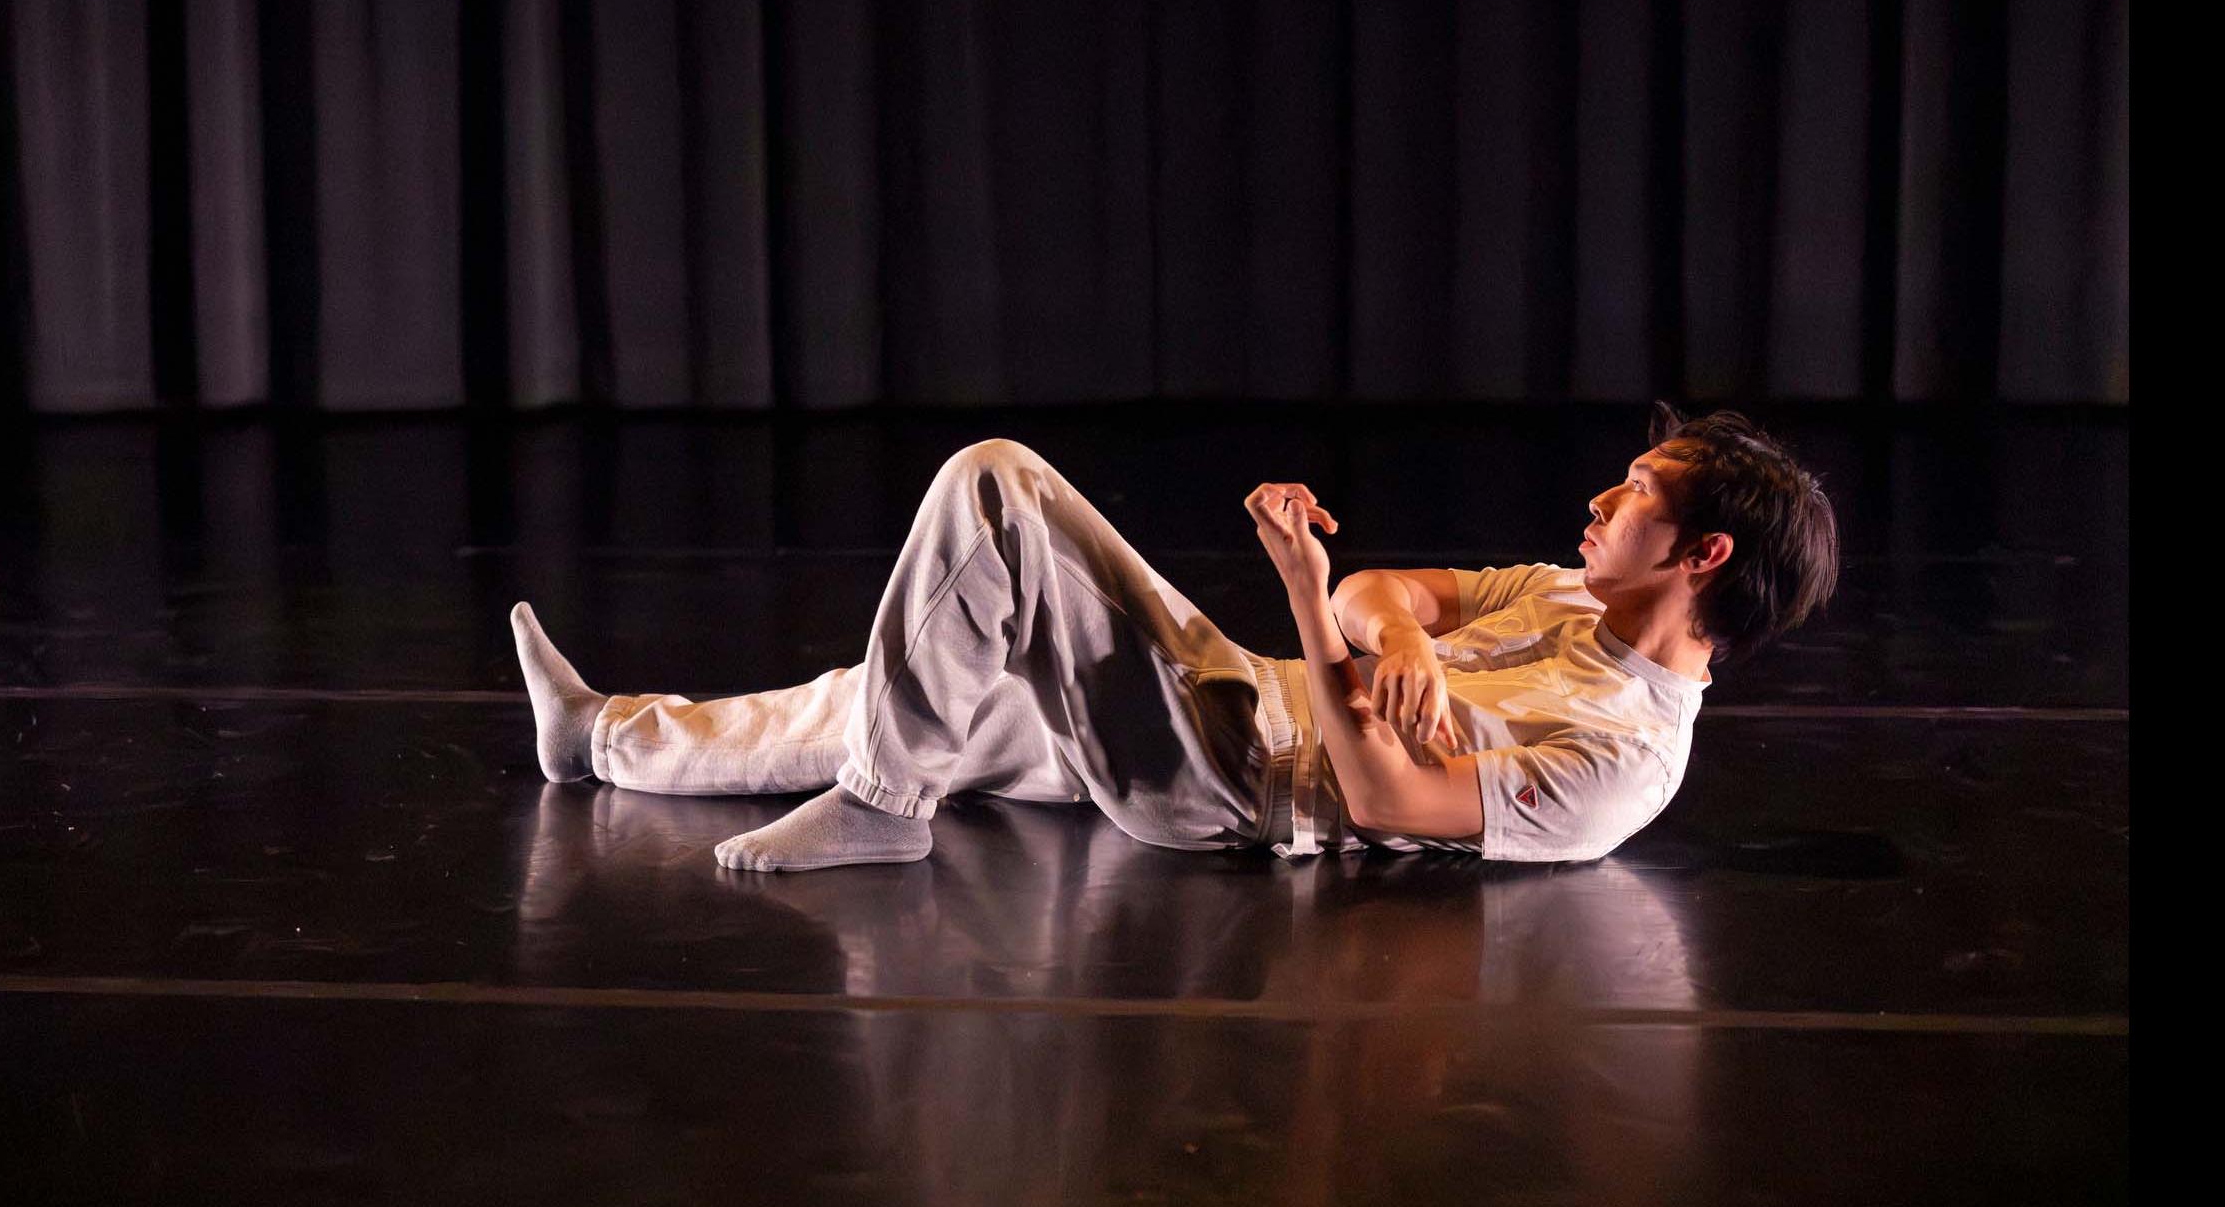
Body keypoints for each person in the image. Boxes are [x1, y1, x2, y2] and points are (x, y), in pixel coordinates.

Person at [508, 401, 1839, 871]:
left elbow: (1377, 796)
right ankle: (600, 740)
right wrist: (1399, 640)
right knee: (909, 679)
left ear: (1700, 555)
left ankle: (882, 807)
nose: (1596, 505)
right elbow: (1398, 593)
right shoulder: (1564, 599)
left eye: (1633, 498)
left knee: (996, 485)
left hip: (1228, 779)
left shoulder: (1620, 761)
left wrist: (1311, 608)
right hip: (1227, 692)